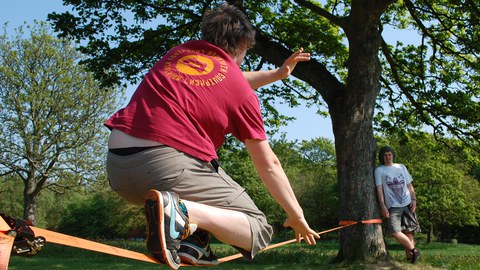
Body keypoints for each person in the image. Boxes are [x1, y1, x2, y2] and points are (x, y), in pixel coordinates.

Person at [105, 3, 319, 270]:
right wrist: (296, 215)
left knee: (199, 190)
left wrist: (277, 75)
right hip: (165, 166)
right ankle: (184, 214)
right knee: (258, 229)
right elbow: (268, 164)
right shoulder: (241, 93)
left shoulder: (178, 55)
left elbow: (227, 78)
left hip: (118, 168)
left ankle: (191, 238)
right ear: (242, 43)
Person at [375, 146, 421, 264]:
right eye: (385, 155)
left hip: (407, 202)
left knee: (408, 231)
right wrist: (382, 205)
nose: (388, 157)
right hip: (393, 206)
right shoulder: (379, 170)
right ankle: (414, 250)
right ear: (382, 157)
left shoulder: (401, 167)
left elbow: (409, 185)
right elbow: (379, 189)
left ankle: (411, 258)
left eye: (389, 154)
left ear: (393, 155)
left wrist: (414, 199)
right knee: (394, 231)